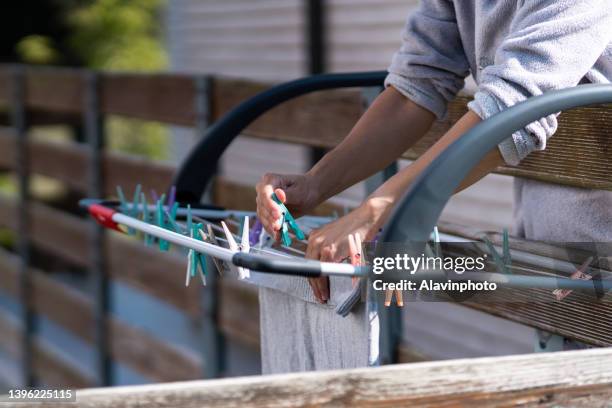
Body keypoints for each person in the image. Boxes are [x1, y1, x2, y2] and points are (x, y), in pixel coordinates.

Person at [257, 0, 612, 304]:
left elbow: (513, 109)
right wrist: (316, 183)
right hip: (558, 261)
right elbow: (417, 87)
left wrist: (375, 210)